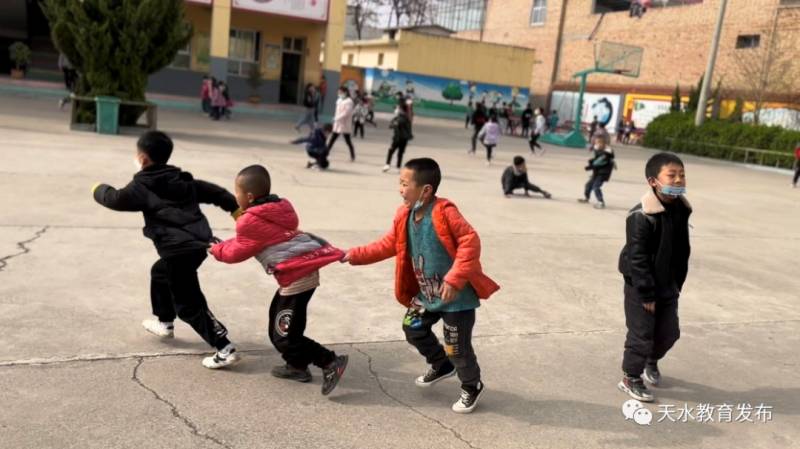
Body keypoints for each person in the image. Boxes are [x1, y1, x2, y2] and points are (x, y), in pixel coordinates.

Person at [343, 158, 500, 414]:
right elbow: (387, 245)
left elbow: (470, 242)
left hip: (455, 298)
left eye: (405, 184)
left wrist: (454, 278)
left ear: (425, 190)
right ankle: (441, 364)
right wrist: (355, 254)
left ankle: (472, 385)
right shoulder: (403, 214)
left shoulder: (444, 211)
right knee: (412, 328)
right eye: (400, 183)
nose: (400, 189)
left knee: (457, 348)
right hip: (426, 294)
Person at [91, 131, 241, 369]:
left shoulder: (141, 187)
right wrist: (237, 212)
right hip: (197, 245)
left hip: (178, 250)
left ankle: (224, 347)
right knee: (160, 273)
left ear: (142, 158)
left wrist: (98, 188)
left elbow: (115, 199)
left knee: (189, 303)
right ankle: (165, 322)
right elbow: (217, 194)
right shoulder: (182, 181)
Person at [209, 165, 349, 395]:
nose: (236, 197)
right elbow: (244, 242)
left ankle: (330, 362)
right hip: (300, 274)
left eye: (237, 192)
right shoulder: (278, 209)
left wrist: (216, 251)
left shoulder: (249, 220)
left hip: (296, 277)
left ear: (249, 196)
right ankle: (296, 366)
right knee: (280, 323)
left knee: (284, 336)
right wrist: (220, 245)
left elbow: (237, 252)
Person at [617, 152, 691, 402]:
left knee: (669, 333)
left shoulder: (681, 208)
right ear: (653, 181)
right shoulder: (641, 215)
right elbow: (637, 259)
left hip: (668, 285)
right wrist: (646, 293)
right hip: (642, 287)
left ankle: (652, 360)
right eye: (672, 175)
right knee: (641, 334)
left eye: (681, 175)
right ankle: (630, 377)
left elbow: (681, 250)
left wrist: (677, 283)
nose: (679, 180)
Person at [578, 135, 616, 209]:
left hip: (602, 173)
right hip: (596, 173)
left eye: (599, 143)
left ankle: (601, 202)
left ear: (604, 144)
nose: (598, 144)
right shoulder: (598, 150)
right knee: (588, 185)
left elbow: (600, 162)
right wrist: (592, 161)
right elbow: (597, 160)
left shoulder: (607, 154)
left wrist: (589, 166)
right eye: (596, 143)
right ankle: (587, 198)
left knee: (596, 187)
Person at [327, 87, 356, 162]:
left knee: (348, 141)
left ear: (345, 92)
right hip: (338, 124)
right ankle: (325, 153)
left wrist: (336, 118)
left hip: (344, 124)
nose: (339, 94)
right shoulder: (339, 100)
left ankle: (352, 156)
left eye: (340, 92)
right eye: (338, 92)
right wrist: (336, 119)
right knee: (332, 139)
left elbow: (346, 113)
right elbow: (337, 111)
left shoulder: (349, 101)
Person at [384, 102, 413, 173]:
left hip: (398, 138)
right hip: (403, 139)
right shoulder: (406, 118)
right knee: (399, 153)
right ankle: (397, 167)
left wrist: (394, 123)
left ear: (401, 109)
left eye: (398, 108)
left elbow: (393, 125)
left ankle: (388, 165)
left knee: (392, 151)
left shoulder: (401, 118)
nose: (396, 110)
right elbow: (391, 125)